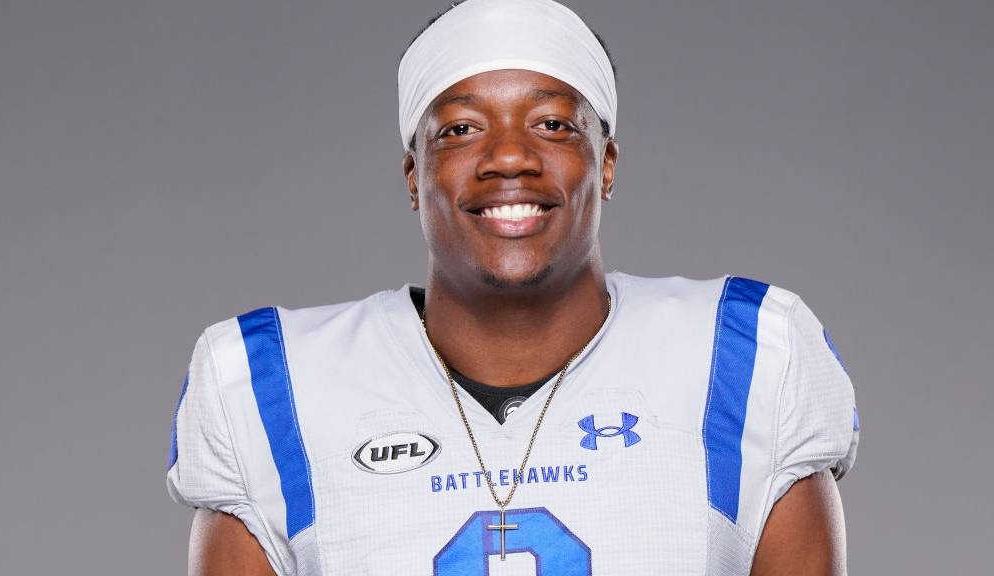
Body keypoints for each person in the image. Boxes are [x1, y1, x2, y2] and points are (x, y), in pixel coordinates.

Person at [166, 0, 860, 574]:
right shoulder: (271, 386)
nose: (507, 157)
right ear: (414, 175)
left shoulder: (747, 358)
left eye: (552, 124)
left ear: (605, 163)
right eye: (460, 129)